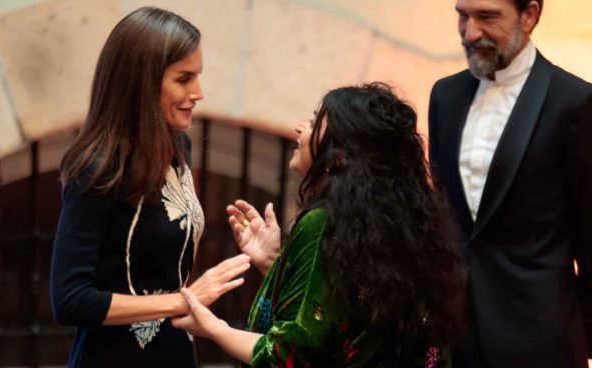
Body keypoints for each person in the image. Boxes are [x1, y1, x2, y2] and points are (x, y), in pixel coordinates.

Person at [172, 83, 466, 367]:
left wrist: (212, 327)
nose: (300, 128)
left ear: (336, 158)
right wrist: (275, 264)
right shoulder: (397, 231)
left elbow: (289, 357)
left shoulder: (323, 223)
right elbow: (344, 317)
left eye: (313, 122)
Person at [49, 7, 251, 367]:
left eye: (198, 77)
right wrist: (185, 299)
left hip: (174, 352)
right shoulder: (97, 168)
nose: (199, 92)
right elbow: (70, 299)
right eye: (184, 78)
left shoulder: (177, 145)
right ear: (142, 81)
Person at [428, 0, 592, 366]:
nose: (470, 33)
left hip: (540, 341)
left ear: (530, 15)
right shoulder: (444, 96)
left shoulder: (576, 102)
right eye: (462, 16)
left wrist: (581, 338)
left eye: (487, 16)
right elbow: (442, 221)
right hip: (455, 336)